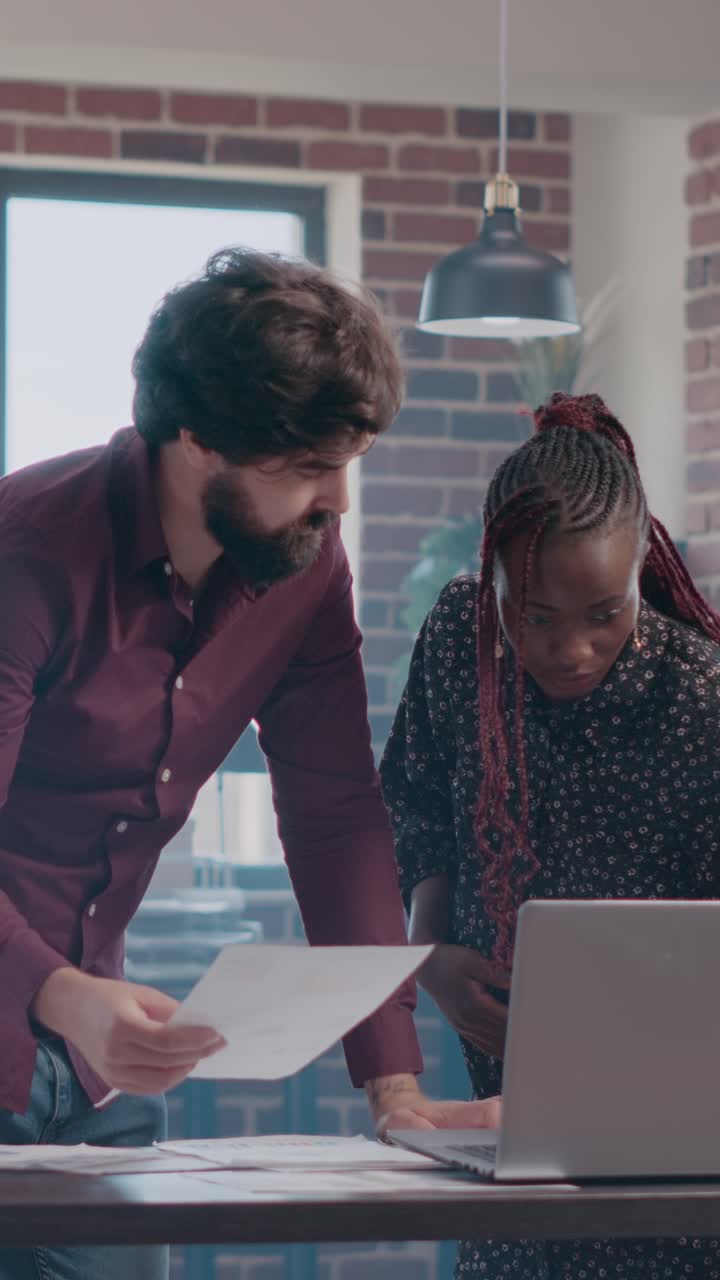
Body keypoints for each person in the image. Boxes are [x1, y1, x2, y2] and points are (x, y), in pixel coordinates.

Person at [0, 248, 494, 1280]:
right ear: (198, 440)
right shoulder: (28, 553)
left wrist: (394, 1085)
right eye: (309, 467)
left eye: (347, 461)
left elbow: (336, 812)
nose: (339, 500)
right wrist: (59, 991)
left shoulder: (304, 569)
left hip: (87, 1079)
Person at [381, 391, 720, 1280]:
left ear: (644, 565)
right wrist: (430, 949)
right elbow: (413, 799)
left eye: (605, 613)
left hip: (671, 1157)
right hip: (507, 1140)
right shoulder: (461, 637)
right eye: (534, 616)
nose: (572, 648)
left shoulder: (700, 699)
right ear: (491, 577)